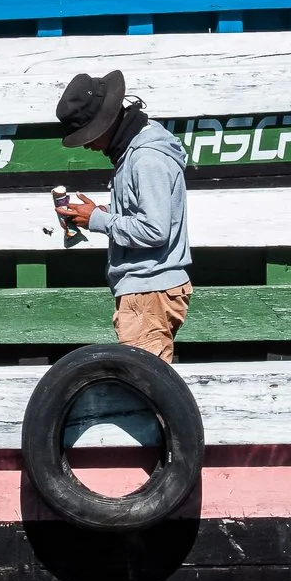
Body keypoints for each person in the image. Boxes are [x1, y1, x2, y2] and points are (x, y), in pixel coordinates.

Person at [53, 70, 193, 362]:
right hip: (151, 291)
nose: (88, 145)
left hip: (147, 292)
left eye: (89, 135)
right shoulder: (139, 152)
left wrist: (99, 220)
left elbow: (155, 230)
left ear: (107, 122)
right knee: (150, 387)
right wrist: (103, 214)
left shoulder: (146, 159)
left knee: (145, 391)